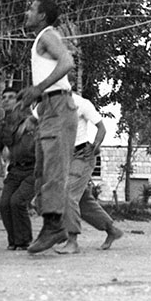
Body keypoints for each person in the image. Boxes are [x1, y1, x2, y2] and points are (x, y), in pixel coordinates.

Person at [15, 0, 78, 254]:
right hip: (48, 107)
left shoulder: (48, 35)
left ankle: (54, 226)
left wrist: (38, 88)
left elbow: (67, 62)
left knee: (53, 170)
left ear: (42, 16)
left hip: (58, 106)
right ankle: (52, 225)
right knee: (42, 169)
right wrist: (34, 96)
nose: (27, 12)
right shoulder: (40, 39)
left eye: (31, 9)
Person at [55, 90, 125, 254]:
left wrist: (96, 144)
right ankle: (111, 230)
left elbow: (101, 128)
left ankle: (72, 241)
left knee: (69, 195)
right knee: (82, 200)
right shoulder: (48, 104)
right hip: (63, 156)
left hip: (82, 155)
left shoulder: (81, 103)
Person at [0, 85, 37, 250]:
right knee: (4, 204)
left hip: (34, 169)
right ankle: (14, 241)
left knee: (17, 202)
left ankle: (24, 241)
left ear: (19, 101)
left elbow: (31, 146)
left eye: (11, 97)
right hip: (15, 170)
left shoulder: (31, 121)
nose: (6, 100)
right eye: (4, 97)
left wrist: (13, 152)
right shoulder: (3, 127)